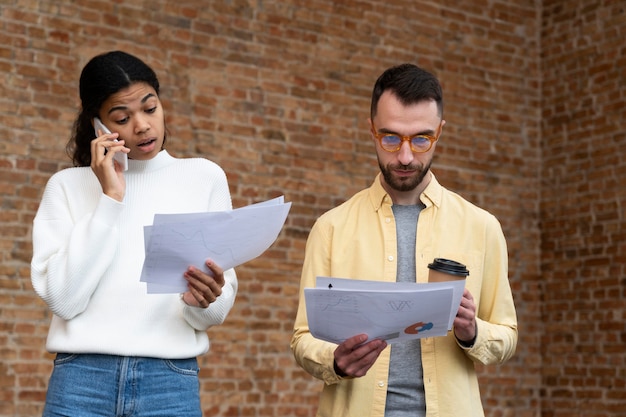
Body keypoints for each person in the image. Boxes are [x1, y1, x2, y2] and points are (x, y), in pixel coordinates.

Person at [290, 63, 518, 417]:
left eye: (422, 139)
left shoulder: (482, 226)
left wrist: (472, 331)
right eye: (391, 138)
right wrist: (333, 360)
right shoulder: (330, 228)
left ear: (440, 132)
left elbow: (506, 336)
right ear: (371, 131)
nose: (406, 156)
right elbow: (303, 338)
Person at [31, 51, 238, 417]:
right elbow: (64, 300)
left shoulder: (203, 178)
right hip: (81, 380)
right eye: (122, 118)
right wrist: (110, 197)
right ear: (97, 125)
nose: (142, 126)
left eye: (150, 108)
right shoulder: (66, 187)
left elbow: (218, 307)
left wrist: (202, 301)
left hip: (169, 381)